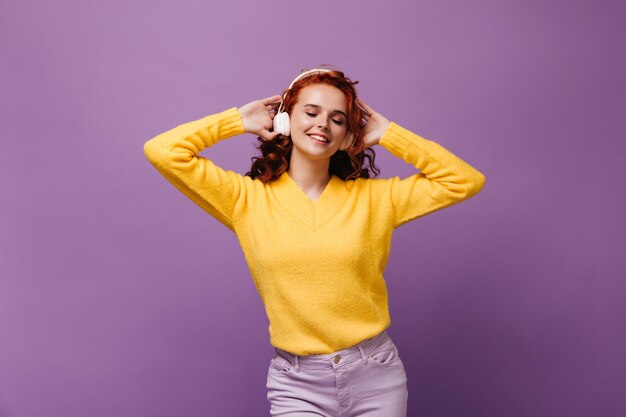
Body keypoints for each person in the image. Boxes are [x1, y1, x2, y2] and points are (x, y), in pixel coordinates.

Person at [143, 67, 486, 416]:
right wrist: (236, 121)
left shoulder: (375, 200)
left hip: (375, 375)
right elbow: (163, 150)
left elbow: (464, 181)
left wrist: (389, 133)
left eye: (337, 119)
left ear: (348, 134)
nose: (323, 124)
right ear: (284, 119)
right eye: (310, 112)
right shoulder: (245, 200)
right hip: (296, 383)